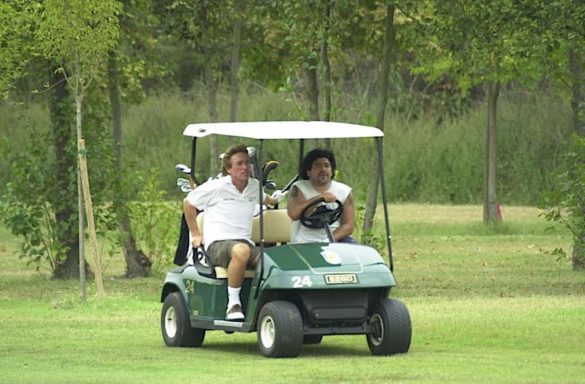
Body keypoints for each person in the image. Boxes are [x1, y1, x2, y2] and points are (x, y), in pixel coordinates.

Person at [183, 143, 282, 321]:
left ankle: (268, 304)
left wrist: (275, 200)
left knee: (274, 259)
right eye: (239, 164)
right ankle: (233, 304)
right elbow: (188, 203)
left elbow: (267, 199)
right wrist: (196, 234)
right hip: (217, 245)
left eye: (247, 163)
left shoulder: (254, 186)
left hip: (244, 244)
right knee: (241, 251)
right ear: (229, 168)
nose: (245, 167)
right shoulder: (217, 187)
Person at [287, 148, 356, 243]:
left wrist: (328, 240)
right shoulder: (299, 188)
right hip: (305, 241)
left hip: (334, 239)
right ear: (308, 172)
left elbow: (348, 225)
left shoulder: (344, 191)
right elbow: (294, 214)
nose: (323, 169)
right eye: (318, 166)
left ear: (332, 171)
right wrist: (320, 198)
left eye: (327, 166)